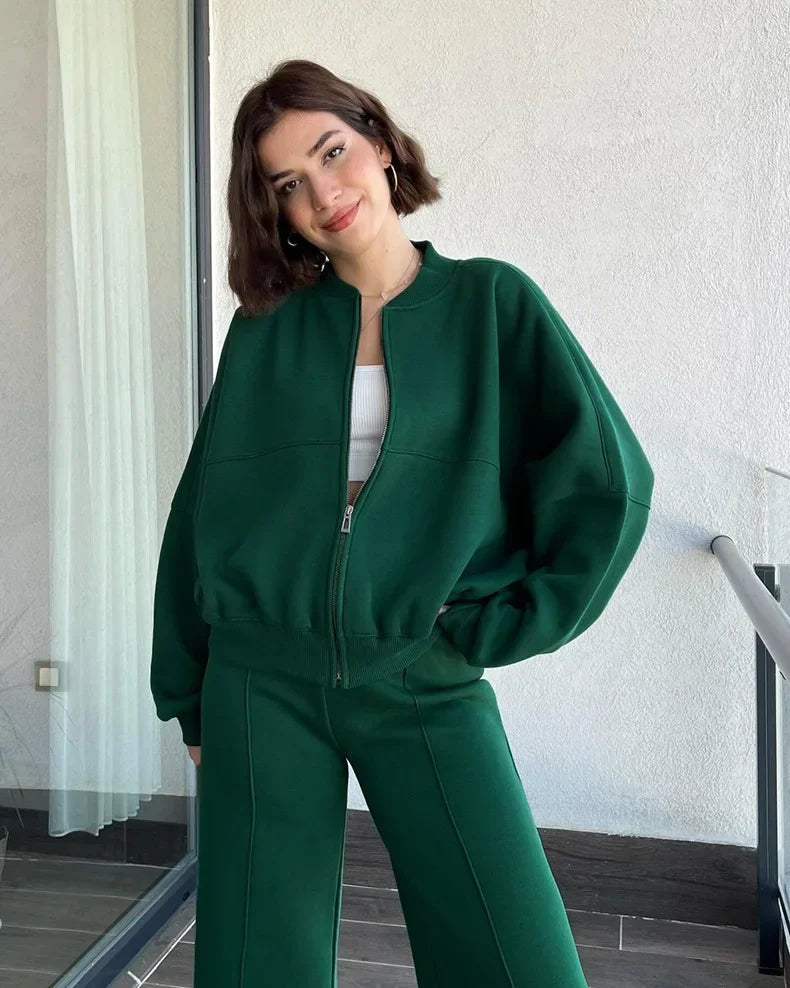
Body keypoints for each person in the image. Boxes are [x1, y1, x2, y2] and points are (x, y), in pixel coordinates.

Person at [149, 58, 654, 988]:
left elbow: (610, 484)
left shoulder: (492, 304)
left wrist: (502, 625)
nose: (321, 194)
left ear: (380, 144)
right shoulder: (265, 327)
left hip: (422, 670)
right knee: (256, 964)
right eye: (286, 184)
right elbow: (202, 512)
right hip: (260, 682)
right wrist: (188, 691)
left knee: (518, 958)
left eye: (331, 153)